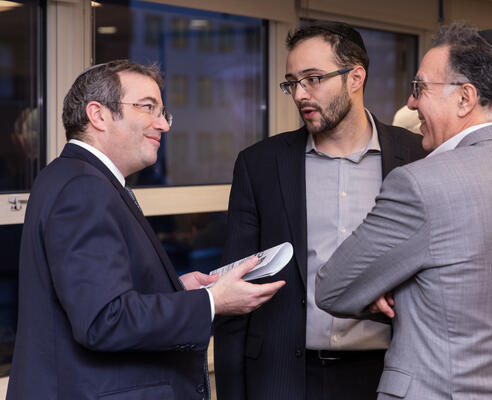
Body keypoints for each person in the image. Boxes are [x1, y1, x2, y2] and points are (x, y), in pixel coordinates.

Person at [7, 60, 285, 400]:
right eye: (147, 108)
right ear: (98, 115)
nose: (163, 124)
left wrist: (176, 290)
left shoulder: (71, 176)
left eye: (163, 112)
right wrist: (211, 301)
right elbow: (104, 320)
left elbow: (97, 295)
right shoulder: (84, 187)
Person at [316, 23, 492, 399]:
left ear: (465, 98)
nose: (411, 103)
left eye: (419, 88)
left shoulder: (421, 183)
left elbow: (334, 288)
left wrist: (387, 287)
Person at [213, 22, 427, 400]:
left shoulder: (417, 157)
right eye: (292, 83)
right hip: (284, 377)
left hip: (389, 374)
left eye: (313, 79)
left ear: (355, 77)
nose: (300, 94)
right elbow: (235, 289)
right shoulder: (260, 165)